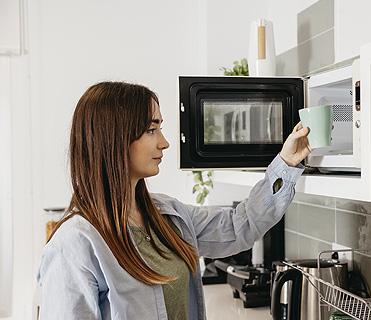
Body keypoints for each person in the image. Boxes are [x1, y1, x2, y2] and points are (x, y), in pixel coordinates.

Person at [37, 81, 311, 320]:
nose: (165, 142)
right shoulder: (74, 245)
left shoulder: (168, 215)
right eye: (151, 130)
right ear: (115, 139)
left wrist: (285, 163)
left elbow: (241, 225)